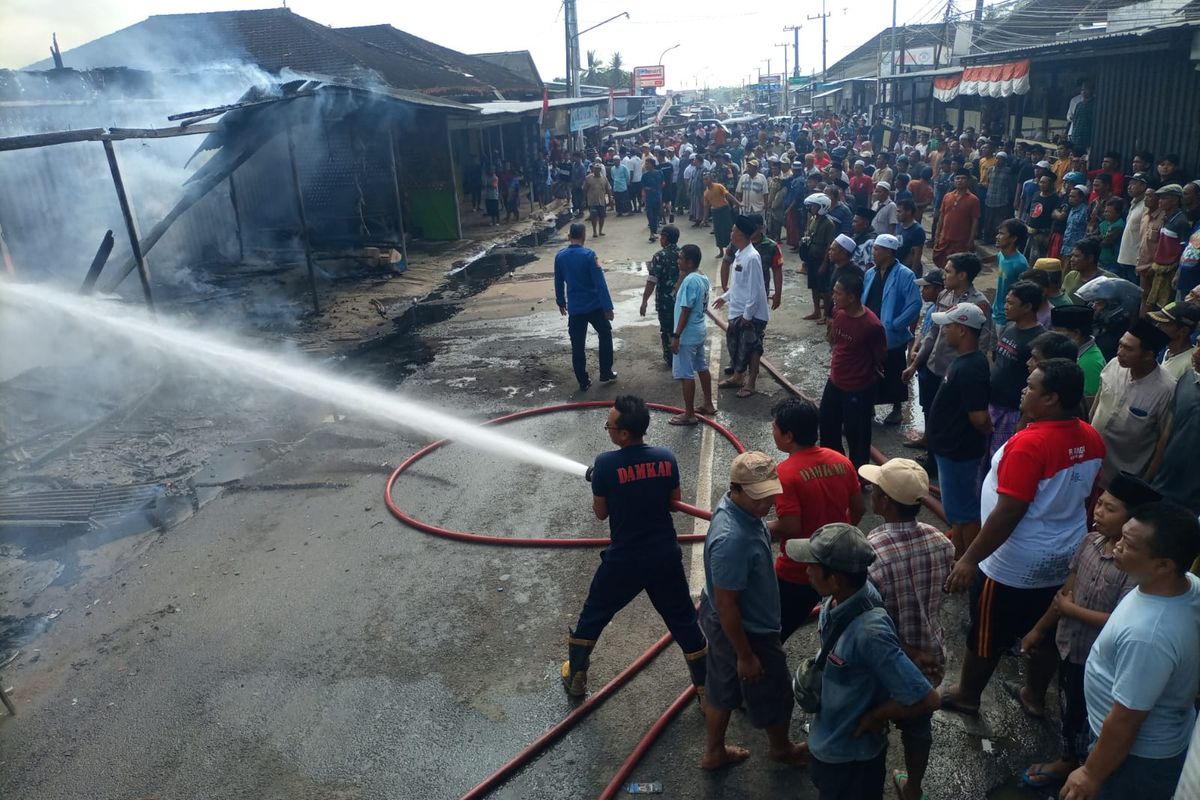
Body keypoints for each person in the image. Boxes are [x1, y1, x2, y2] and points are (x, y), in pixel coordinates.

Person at [942, 359, 1106, 716]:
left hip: (1012, 564)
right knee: (1045, 631)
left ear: (1051, 399)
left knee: (986, 632)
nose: (1023, 390)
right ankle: (1033, 695)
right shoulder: (1090, 436)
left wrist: (970, 558)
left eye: (1031, 387)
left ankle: (968, 694)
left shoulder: (1032, 444)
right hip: (1062, 556)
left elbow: (1010, 511)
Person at [1017, 473, 1162, 791]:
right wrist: (1038, 630)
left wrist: (1071, 611)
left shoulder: (1131, 568)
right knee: (1069, 705)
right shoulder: (1088, 542)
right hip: (1070, 645)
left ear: (1132, 521)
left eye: (1110, 509)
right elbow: (1064, 595)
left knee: (1092, 715)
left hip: (1101, 661)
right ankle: (1071, 756)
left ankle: (1082, 766)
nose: (1098, 513)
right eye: (1098, 504)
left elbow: (1121, 619)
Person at [563, 395, 707, 706]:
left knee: (594, 613)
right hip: (664, 556)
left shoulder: (604, 464)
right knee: (684, 621)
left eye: (609, 425)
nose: (608, 430)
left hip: (624, 560)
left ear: (624, 433)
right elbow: (673, 501)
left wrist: (605, 484)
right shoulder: (666, 457)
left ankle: (576, 676)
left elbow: (601, 514)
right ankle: (707, 692)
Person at [785, 523, 941, 800]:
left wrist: (875, 716)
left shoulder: (869, 632)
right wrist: (912, 653)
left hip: (849, 760)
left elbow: (927, 700)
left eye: (813, 565)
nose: (806, 570)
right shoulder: (845, 597)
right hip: (829, 737)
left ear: (835, 579)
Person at [1062, 502, 1200, 800]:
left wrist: (1091, 773)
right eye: (1122, 536)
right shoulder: (1189, 586)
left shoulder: (1149, 635)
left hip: (1135, 758)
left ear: (1164, 564)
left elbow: (1126, 719)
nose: (1118, 546)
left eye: (1129, 544)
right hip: (1152, 739)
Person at [699, 452, 808, 770]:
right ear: (736, 489)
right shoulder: (733, 540)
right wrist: (746, 656)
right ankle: (781, 748)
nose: (767, 505)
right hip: (746, 628)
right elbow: (727, 605)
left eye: (770, 495)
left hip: (724, 619)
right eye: (759, 499)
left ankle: (714, 753)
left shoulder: (738, 509)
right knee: (774, 690)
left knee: (721, 685)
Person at [860, 459, 955, 800]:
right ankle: (912, 788)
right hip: (929, 653)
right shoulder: (941, 542)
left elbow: (873, 620)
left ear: (884, 501)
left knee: (870, 722)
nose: (871, 492)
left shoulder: (872, 550)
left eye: (875, 489)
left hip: (887, 660)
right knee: (918, 725)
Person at [767, 397, 865, 641]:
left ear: (788, 436)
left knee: (771, 634)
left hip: (798, 570)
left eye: (775, 429)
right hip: (837, 564)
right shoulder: (841, 461)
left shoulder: (785, 473)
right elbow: (859, 508)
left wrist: (757, 529)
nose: (773, 433)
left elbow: (790, 525)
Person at [927, 302, 992, 555]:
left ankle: (967, 560)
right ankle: (957, 548)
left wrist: (988, 430)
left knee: (966, 511)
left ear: (963, 330)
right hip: (950, 449)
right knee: (957, 509)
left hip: (959, 452)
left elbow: (979, 417)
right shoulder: (964, 361)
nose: (945, 331)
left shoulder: (971, 367)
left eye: (950, 326)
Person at [1089, 319, 1174, 486]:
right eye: (1120, 345)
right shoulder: (1114, 365)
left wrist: (1145, 482)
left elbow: (1162, 444)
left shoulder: (1167, 390)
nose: (1120, 352)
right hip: (1090, 465)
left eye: (1128, 349)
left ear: (1148, 355)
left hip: (1122, 480)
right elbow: (1096, 405)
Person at [819, 271, 887, 470]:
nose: (833, 297)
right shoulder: (838, 313)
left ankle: (859, 474)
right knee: (827, 424)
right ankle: (834, 466)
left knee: (857, 433)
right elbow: (836, 342)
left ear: (852, 297)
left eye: (838, 293)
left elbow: (880, 355)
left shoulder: (872, 325)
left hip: (858, 387)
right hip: (835, 380)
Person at [863, 234, 922, 425]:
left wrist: (896, 324)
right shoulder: (870, 273)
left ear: (888, 252)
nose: (874, 253)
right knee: (869, 368)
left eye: (877, 249)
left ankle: (897, 409)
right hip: (870, 329)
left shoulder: (905, 274)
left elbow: (914, 304)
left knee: (894, 368)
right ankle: (869, 405)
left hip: (892, 333)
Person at [554, 223, 616, 391]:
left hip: (575, 308)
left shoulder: (560, 257)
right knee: (605, 334)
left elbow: (558, 281)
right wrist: (607, 307)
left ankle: (583, 381)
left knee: (578, 345)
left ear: (569, 236)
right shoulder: (589, 255)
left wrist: (561, 302)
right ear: (583, 235)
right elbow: (600, 283)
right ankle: (605, 371)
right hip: (594, 305)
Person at [713, 215, 768, 399]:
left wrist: (748, 315)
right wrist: (725, 297)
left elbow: (755, 289)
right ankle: (737, 377)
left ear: (741, 234)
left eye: (733, 230)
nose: (731, 232)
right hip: (738, 309)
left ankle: (750, 383)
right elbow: (738, 285)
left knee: (752, 348)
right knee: (736, 345)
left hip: (751, 314)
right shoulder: (739, 254)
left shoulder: (752, 257)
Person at [667, 243, 716, 426]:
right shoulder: (701, 277)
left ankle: (689, 414)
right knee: (701, 367)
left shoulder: (690, 281)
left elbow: (685, 309)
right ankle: (708, 404)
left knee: (686, 374)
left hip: (687, 335)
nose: (678, 260)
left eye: (681, 258)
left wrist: (676, 335)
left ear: (689, 262)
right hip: (698, 331)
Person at [1151, 343, 1200, 513]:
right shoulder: (1187, 378)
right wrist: (1152, 477)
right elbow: (1167, 433)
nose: (1196, 353)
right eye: (1199, 344)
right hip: (1163, 487)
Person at [1051, 304, 1106, 412]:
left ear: (1076, 333)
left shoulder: (1091, 363)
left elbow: (1087, 407)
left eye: (1058, 332)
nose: (1053, 336)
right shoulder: (1072, 353)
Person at [640, 225, 681, 366]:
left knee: (667, 330)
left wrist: (644, 301)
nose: (660, 240)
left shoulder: (659, 256)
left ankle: (671, 359)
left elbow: (652, 281)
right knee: (680, 328)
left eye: (662, 237)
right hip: (681, 300)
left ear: (665, 238)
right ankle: (682, 355)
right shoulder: (683, 253)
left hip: (665, 302)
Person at [800, 193, 838, 323]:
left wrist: (824, 263)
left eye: (814, 206)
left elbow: (829, 245)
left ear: (822, 206)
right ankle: (816, 311)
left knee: (824, 288)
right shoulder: (813, 219)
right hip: (812, 256)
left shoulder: (829, 224)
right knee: (813, 285)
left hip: (822, 257)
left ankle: (826, 315)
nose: (811, 208)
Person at [932, 169, 980, 268]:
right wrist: (937, 235)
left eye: (963, 178)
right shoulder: (947, 196)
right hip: (945, 239)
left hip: (961, 241)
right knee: (942, 266)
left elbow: (975, 221)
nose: (960, 180)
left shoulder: (973, 199)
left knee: (958, 268)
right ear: (954, 180)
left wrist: (971, 240)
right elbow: (942, 216)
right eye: (957, 178)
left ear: (968, 181)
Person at [991, 218, 1031, 326]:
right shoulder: (1000, 255)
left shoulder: (1020, 264)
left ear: (1013, 238)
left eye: (1001, 234)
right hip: (995, 313)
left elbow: (1024, 293)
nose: (997, 237)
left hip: (1006, 319)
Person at [1150, 301, 1199, 383]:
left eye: (1164, 324)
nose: (1157, 326)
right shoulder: (1167, 350)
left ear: (1184, 331)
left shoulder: (1191, 363)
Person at [1062, 236, 1115, 305]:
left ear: (1090, 258)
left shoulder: (1109, 280)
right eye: (1072, 255)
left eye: (1076, 256)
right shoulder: (1071, 276)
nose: (1071, 259)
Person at [704, 172, 739, 258]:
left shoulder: (719, 186)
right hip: (715, 212)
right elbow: (706, 207)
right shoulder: (706, 193)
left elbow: (728, 195)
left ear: (711, 179)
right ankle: (721, 251)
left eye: (706, 178)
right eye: (704, 179)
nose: (705, 181)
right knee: (718, 232)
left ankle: (734, 249)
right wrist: (704, 219)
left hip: (724, 210)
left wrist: (737, 203)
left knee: (729, 230)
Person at [893, 199, 926, 277]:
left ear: (909, 212)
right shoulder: (899, 225)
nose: (897, 214)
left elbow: (917, 255)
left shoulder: (917, 230)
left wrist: (911, 275)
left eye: (899, 212)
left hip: (907, 269)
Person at [583, 161, 611, 238]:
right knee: (594, 216)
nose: (596, 170)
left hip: (601, 200)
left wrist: (610, 199)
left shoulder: (604, 178)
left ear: (600, 170)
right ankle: (594, 231)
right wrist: (584, 200)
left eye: (598, 169)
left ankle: (600, 231)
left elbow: (608, 189)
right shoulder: (588, 178)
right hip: (592, 201)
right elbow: (584, 189)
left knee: (602, 216)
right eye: (595, 169)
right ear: (593, 169)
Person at [641, 158, 665, 242]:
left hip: (657, 197)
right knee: (650, 215)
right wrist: (644, 197)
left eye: (647, 164)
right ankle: (652, 233)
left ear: (652, 164)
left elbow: (663, 183)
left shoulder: (659, 173)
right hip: (649, 199)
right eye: (645, 164)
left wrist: (658, 191)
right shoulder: (645, 175)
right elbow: (643, 188)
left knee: (656, 215)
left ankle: (654, 232)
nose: (646, 165)